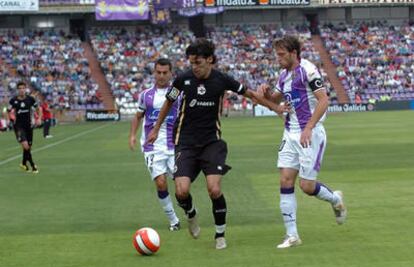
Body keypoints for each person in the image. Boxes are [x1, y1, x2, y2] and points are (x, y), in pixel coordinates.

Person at [147, 38, 260, 250]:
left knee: (214, 189)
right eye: (191, 63)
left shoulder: (222, 80)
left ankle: (220, 234)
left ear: (210, 60)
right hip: (185, 143)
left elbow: (250, 93)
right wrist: (155, 128)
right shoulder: (182, 80)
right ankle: (191, 214)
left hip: (211, 143)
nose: (194, 67)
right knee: (181, 191)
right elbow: (168, 102)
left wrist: (275, 106)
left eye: (198, 62)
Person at [254, 36, 347, 249]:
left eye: (281, 54)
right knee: (285, 181)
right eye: (276, 54)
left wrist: (309, 127)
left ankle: (335, 199)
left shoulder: (309, 70)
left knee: (306, 186)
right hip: (289, 133)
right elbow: (275, 100)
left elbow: (324, 100)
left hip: (310, 134)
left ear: (294, 53)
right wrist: (266, 93)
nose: (278, 58)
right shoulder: (283, 76)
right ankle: (292, 235)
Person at [129, 58, 181, 232]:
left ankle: (189, 211)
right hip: (152, 147)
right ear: (154, 73)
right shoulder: (145, 95)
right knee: (160, 183)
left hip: (175, 146)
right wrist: (132, 136)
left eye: (165, 72)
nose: (161, 76)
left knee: (182, 187)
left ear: (171, 73)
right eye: (158, 72)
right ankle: (173, 220)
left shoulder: (178, 94)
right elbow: (138, 116)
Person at [7, 81, 40, 173]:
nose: (21, 90)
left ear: (25, 89)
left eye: (23, 88)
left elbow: (38, 108)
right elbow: (8, 110)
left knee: (28, 146)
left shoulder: (30, 99)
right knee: (25, 146)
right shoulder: (13, 100)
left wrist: (38, 119)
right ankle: (33, 166)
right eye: (20, 88)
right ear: (17, 90)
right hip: (18, 126)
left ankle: (23, 163)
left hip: (29, 126)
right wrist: (11, 118)